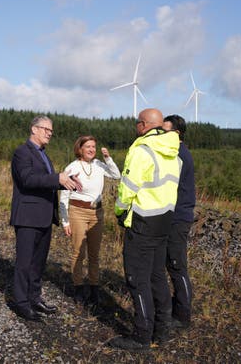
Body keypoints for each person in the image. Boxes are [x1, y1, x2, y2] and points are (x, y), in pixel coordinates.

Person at [109, 108, 182, 351]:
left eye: (136, 124)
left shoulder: (141, 150)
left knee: (137, 279)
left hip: (142, 222)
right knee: (157, 277)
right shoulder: (174, 152)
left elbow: (128, 188)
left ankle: (141, 336)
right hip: (164, 222)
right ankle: (161, 331)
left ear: (143, 125)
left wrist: (120, 212)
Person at [10, 115, 82, 321]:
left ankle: (35, 298)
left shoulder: (43, 155)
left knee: (38, 262)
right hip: (27, 216)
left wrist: (65, 181)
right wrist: (55, 177)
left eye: (51, 130)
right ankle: (21, 303)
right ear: (34, 129)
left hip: (44, 216)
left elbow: (46, 181)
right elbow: (27, 179)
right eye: (45, 129)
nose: (49, 133)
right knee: (24, 262)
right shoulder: (22, 152)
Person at [59, 136, 121, 305]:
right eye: (88, 146)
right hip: (77, 211)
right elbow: (64, 195)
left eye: (94, 146)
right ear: (80, 149)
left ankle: (94, 288)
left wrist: (107, 158)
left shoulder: (99, 164)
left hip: (97, 213)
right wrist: (65, 222)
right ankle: (78, 287)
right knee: (79, 252)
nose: (92, 149)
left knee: (94, 254)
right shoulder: (72, 167)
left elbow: (116, 175)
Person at [162, 114, 196, 331]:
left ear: (177, 133)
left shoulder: (179, 155)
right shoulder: (177, 153)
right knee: (171, 264)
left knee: (177, 266)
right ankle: (177, 306)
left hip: (178, 218)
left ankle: (183, 315)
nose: (161, 136)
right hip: (174, 216)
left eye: (164, 131)